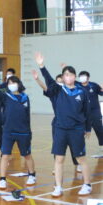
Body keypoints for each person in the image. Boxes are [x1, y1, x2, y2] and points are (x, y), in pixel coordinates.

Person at [35, 52, 92, 197]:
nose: (69, 77)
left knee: (81, 159)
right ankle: (58, 187)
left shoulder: (82, 92)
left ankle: (87, 184)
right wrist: (42, 66)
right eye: (66, 74)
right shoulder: (57, 90)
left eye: (71, 74)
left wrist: (87, 128)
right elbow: (48, 80)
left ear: (75, 77)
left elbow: (87, 111)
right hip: (60, 129)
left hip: (76, 129)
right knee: (59, 159)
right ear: (63, 77)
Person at [0, 69, 36, 189]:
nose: (11, 85)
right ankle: (2, 179)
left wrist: (29, 131)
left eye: (13, 82)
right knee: (5, 155)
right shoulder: (5, 96)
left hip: (24, 131)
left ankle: (32, 175)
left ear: (19, 84)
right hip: (8, 131)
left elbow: (27, 116)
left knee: (27, 155)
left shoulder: (25, 98)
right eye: (9, 83)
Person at [31, 70, 81, 172]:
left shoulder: (74, 92)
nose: (59, 83)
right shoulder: (54, 94)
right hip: (58, 123)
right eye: (57, 82)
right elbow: (45, 87)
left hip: (72, 124)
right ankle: (56, 166)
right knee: (57, 146)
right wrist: (37, 79)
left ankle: (77, 163)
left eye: (60, 81)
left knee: (73, 145)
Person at [77, 71, 103, 158]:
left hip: (95, 112)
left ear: (88, 78)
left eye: (83, 76)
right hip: (83, 113)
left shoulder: (94, 85)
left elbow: (102, 93)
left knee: (100, 131)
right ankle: (80, 151)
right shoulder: (77, 85)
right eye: (80, 76)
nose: (82, 78)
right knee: (81, 132)